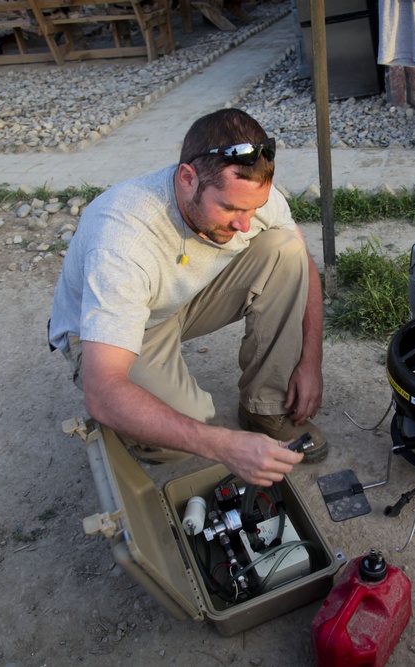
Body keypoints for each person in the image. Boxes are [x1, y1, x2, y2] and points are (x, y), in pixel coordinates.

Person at [48, 108, 326, 487]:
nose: (245, 223)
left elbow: (305, 266)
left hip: (182, 300)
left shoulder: (248, 194)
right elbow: (103, 390)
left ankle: (265, 408)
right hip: (123, 331)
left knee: (286, 251)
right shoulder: (122, 240)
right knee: (186, 432)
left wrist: (310, 362)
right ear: (187, 178)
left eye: (253, 209)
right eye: (229, 208)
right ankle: (135, 423)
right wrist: (225, 446)